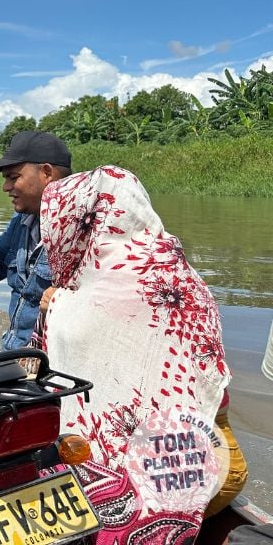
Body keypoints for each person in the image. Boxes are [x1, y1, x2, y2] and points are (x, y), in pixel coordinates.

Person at [39, 165, 238, 544]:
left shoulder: (79, 300)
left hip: (135, 485)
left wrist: (57, 305)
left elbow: (66, 375)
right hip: (215, 467)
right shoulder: (179, 270)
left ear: (78, 222)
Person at [0, 130, 71, 350]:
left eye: (13, 177)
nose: (5, 187)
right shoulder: (23, 220)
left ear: (46, 172)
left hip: (47, 361)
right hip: (13, 348)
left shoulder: (80, 231)